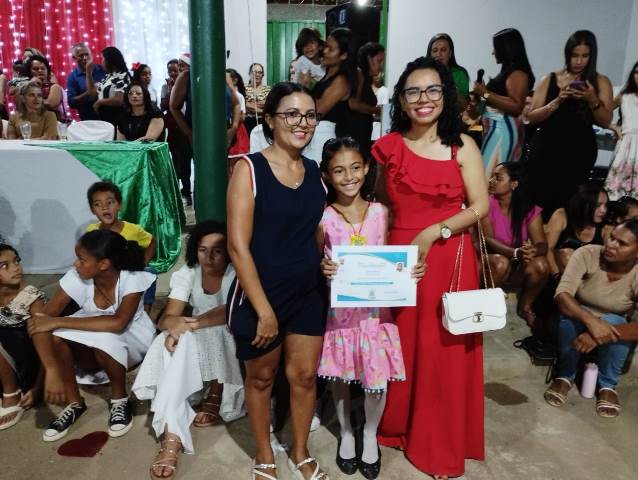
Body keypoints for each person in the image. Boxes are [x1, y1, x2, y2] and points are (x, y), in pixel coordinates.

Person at [372, 56, 488, 479]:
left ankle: (437, 440)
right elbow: (381, 204)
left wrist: (432, 232)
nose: (424, 98)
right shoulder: (389, 147)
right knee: (401, 343)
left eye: (433, 89)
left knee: (442, 351)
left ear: (446, 95)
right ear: (401, 100)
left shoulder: (463, 146)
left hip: (448, 258)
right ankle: (395, 424)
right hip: (400, 259)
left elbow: (480, 206)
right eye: (414, 91)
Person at [226, 82, 328, 480]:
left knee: (304, 377)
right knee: (261, 378)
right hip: (261, 295)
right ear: (269, 120)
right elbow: (238, 247)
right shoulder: (248, 169)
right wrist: (264, 311)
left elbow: (316, 232)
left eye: (309, 115)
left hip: (308, 294)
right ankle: (264, 451)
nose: (302, 123)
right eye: (291, 114)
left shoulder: (315, 171)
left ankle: (300, 450)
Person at [317, 137, 423, 479]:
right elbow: (315, 259)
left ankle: (370, 433)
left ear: (366, 168)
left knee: (376, 381)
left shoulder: (381, 213)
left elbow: (394, 257)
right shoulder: (324, 218)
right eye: (339, 171)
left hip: (376, 317)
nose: (349, 177)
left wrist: (410, 270)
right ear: (327, 175)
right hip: (342, 317)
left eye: (355, 167)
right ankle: (347, 431)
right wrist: (323, 268)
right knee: (341, 377)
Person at [132, 221, 244, 480]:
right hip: (197, 331)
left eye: (217, 250)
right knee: (165, 342)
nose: (209, 257)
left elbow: (230, 311)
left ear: (229, 251)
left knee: (218, 333)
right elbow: (168, 316)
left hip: (229, 332)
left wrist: (188, 325)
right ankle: (171, 436)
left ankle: (216, 390)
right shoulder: (189, 272)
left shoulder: (236, 272)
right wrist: (174, 328)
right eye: (203, 250)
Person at [27, 230, 156, 441]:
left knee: (105, 338)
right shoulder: (78, 276)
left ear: (103, 264)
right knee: (56, 336)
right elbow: (40, 322)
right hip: (93, 333)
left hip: (132, 336)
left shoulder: (131, 278)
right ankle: (74, 403)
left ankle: (119, 400)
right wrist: (50, 370)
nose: (76, 264)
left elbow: (118, 323)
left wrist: (58, 321)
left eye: (82, 259)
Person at [544, 220, 638, 418]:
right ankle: (564, 375)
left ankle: (607, 385)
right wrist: (592, 322)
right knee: (571, 315)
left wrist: (597, 334)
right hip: (579, 316)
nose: (611, 244)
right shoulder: (588, 253)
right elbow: (562, 295)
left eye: (622, 243)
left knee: (616, 321)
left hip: (614, 324)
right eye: (612, 237)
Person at [527, 30, 613, 221]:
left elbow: (606, 121)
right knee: (538, 201)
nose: (579, 61)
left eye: (585, 56)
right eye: (575, 55)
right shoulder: (549, 79)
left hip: (579, 152)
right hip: (545, 149)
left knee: (570, 204)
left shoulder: (600, 81)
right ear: (567, 54)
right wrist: (557, 101)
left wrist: (592, 99)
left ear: (592, 56)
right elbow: (531, 117)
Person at [484, 162, 549, 328]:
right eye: (492, 177)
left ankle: (525, 306)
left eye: (498, 178)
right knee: (500, 263)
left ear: (514, 184)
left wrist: (533, 250)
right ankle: (481, 307)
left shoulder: (529, 209)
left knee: (541, 265)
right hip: (490, 260)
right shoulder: (487, 204)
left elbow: (542, 244)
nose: (491, 181)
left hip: (515, 263)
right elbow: (487, 239)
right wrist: (516, 253)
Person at [472, 28, 535, 177]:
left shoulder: (518, 73)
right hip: (493, 131)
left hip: (502, 132)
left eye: (496, 47)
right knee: (486, 178)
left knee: (489, 179)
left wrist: (485, 93)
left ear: (505, 49)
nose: (493, 52)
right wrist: (479, 99)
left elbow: (516, 106)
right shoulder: (507, 72)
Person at [0, 244, 46, 431]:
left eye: (16, 261)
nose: (15, 268)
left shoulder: (31, 297)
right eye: (4, 265)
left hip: (30, 364)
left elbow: (46, 344)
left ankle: (12, 393)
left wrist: (38, 387)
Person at [307, 28, 357, 164]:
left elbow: (318, 110)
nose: (324, 51)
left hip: (325, 139)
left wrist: (304, 88)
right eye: (325, 46)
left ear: (343, 55)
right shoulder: (326, 77)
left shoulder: (341, 81)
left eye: (330, 48)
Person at [545, 183, 608, 278]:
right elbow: (547, 249)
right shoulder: (562, 215)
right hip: (556, 275)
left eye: (605, 205)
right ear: (584, 204)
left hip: (584, 281)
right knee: (567, 254)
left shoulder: (605, 229)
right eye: (598, 205)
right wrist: (556, 275)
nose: (603, 210)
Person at [605, 61, 638, 200]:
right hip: (626, 146)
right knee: (616, 191)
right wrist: (614, 126)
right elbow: (603, 114)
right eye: (637, 72)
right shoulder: (624, 96)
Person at [162, 58, 193, 206]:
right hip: (177, 130)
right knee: (179, 162)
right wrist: (170, 88)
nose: (175, 72)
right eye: (171, 71)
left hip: (191, 128)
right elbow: (165, 105)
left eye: (179, 68)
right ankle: (182, 192)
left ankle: (190, 191)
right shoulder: (166, 86)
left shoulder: (191, 82)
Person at [348, 42, 385, 157]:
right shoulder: (359, 74)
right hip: (356, 132)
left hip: (364, 132)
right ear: (369, 58)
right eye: (379, 61)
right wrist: (376, 110)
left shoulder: (368, 79)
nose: (381, 66)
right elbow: (353, 104)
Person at [90, 46, 131, 127]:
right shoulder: (109, 76)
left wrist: (100, 102)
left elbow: (120, 100)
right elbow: (92, 93)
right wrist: (88, 71)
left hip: (116, 118)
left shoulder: (122, 76)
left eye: (103, 59)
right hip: (105, 117)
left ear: (109, 60)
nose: (101, 62)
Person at [66, 42, 107, 120]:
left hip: (108, 118)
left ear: (91, 54)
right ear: (74, 58)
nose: (85, 58)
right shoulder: (72, 77)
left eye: (87, 54)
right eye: (81, 56)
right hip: (88, 120)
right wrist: (89, 93)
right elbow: (71, 102)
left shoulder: (103, 69)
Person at [426, 33, 470, 106]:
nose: (438, 54)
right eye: (435, 50)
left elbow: (464, 105)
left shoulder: (459, 74)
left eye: (443, 50)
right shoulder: (422, 74)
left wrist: (452, 90)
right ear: (430, 54)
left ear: (450, 54)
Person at [245, 63, 271, 134]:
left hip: (264, 122)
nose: (257, 74)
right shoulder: (244, 89)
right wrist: (262, 110)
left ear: (263, 75)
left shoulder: (268, 89)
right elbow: (244, 105)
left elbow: (269, 105)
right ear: (249, 73)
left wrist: (251, 104)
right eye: (254, 72)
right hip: (248, 123)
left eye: (260, 72)